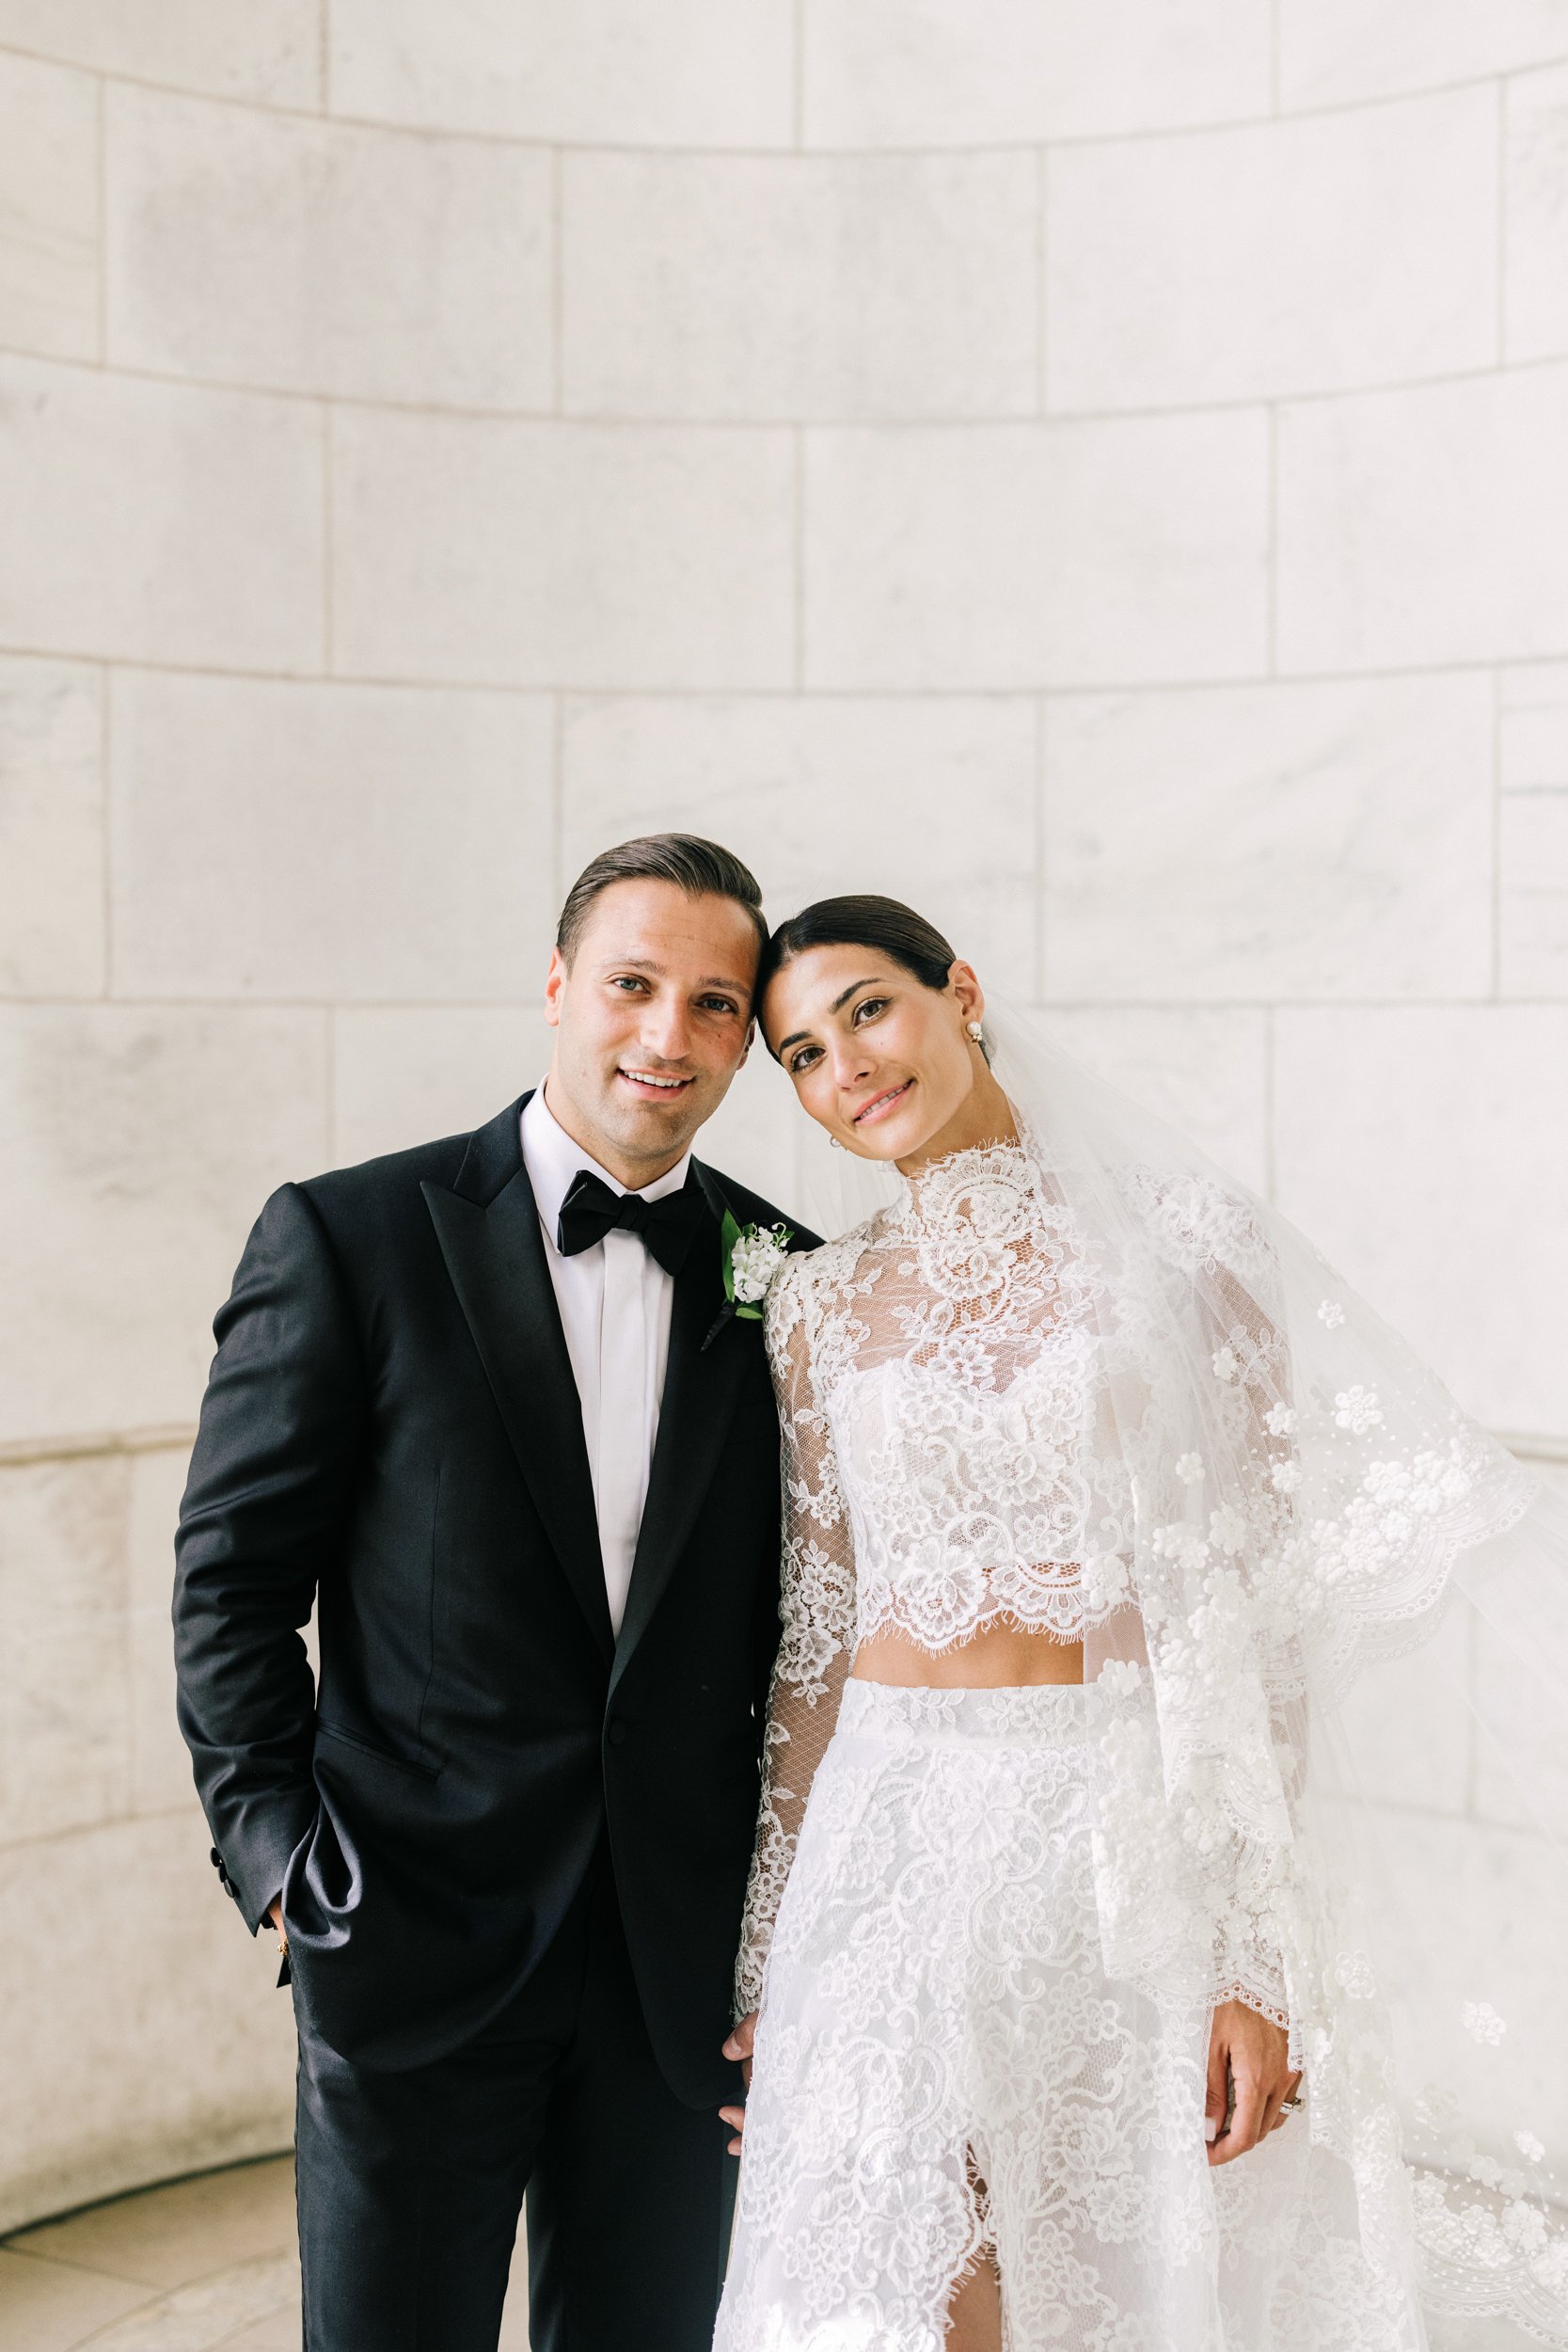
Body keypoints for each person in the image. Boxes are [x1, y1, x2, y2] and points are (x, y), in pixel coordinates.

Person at [714, 895, 1568, 2352]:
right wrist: (771, 1949)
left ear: (959, 992)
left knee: (1091, 2282)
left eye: (867, 1010)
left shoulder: (1178, 1244)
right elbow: (821, 1627)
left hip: (1107, 1838)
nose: (844, 1067)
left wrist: (1256, 1961)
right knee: (882, 2287)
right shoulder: (815, 1301)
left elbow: (1260, 1617)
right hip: (888, 1840)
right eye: (799, 1052)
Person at [173, 834, 814, 2352]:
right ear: (555, 988)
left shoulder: (785, 1272)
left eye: (715, 1003)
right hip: (405, 1935)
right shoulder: (351, 1238)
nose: (669, 1036)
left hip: (675, 1978)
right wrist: (279, 1865)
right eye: (634, 985)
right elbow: (231, 1587)